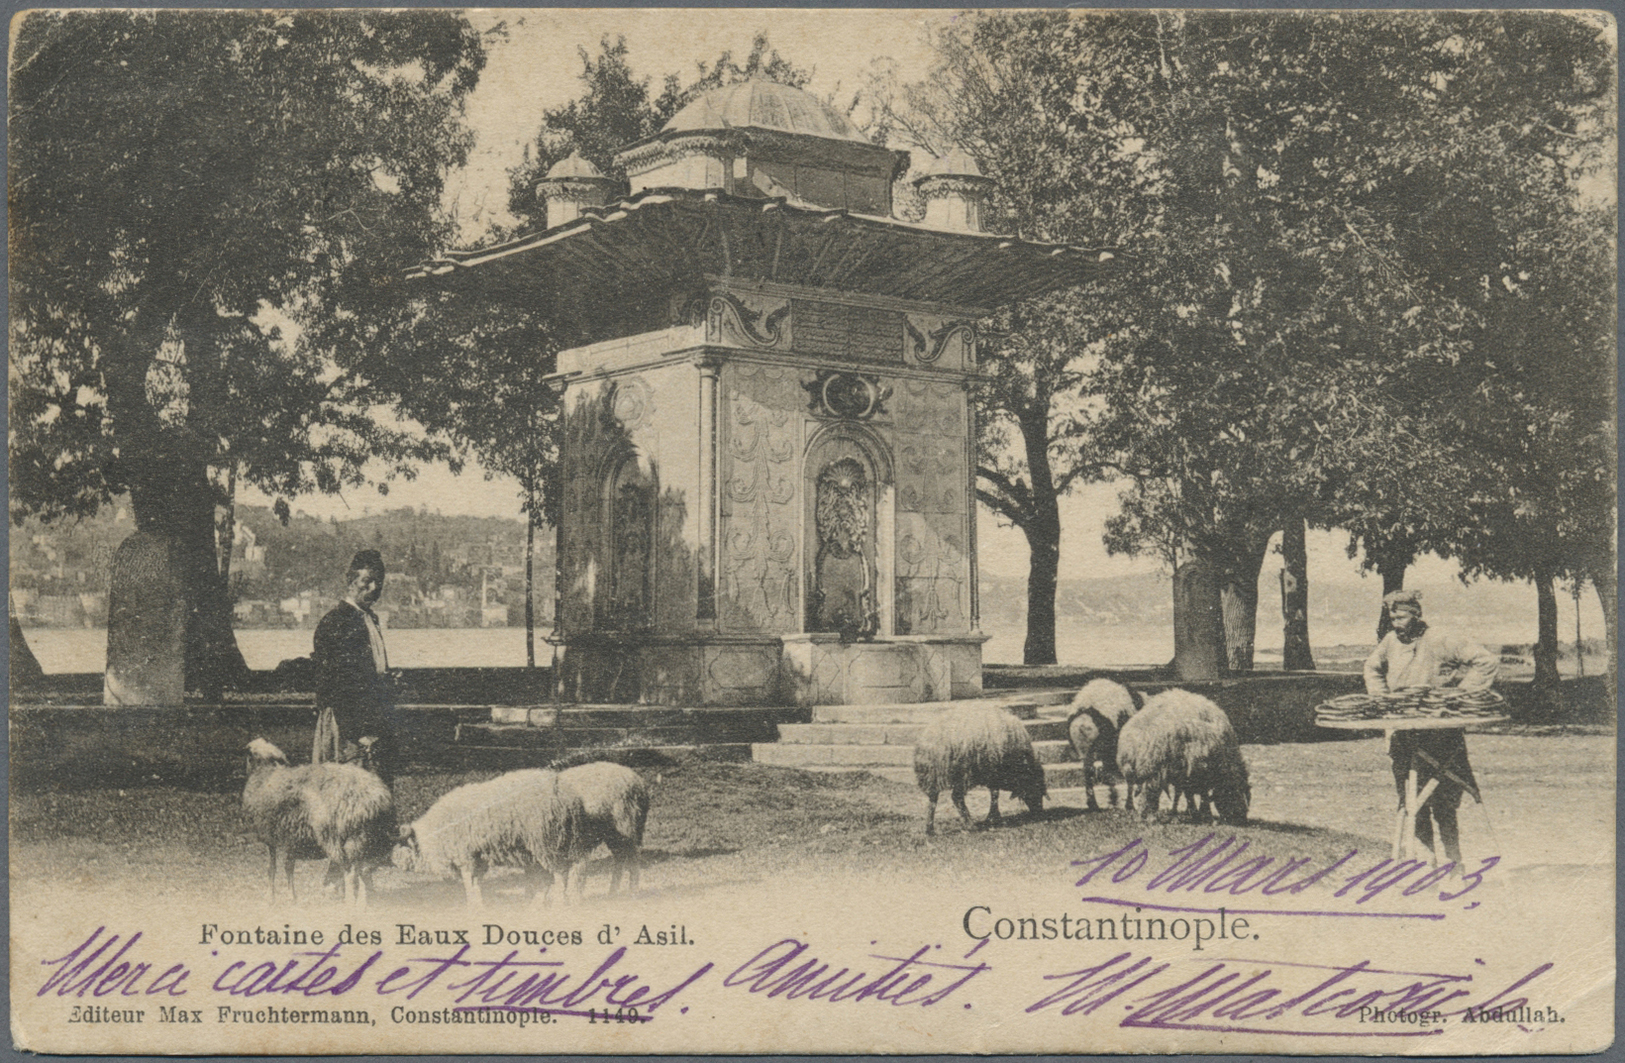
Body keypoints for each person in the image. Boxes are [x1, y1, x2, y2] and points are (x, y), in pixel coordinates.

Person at [1363, 588, 1499, 864]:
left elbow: (1486, 661)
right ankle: (1426, 864)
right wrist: (1383, 702)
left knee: (1445, 803)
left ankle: (1454, 862)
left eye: (1401, 616)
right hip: (1404, 733)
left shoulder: (1441, 638)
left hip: (1441, 734)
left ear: (1417, 614)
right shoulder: (1390, 641)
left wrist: (1459, 696)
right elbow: (1372, 667)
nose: (1395, 622)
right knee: (1410, 802)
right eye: (1392, 617)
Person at [312, 549, 399, 787]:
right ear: (351, 583)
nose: (374, 588)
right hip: (347, 723)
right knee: (348, 791)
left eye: (378, 582)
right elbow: (337, 684)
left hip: (373, 717)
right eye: (366, 581)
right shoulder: (336, 622)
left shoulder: (370, 620)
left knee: (376, 789)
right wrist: (358, 732)